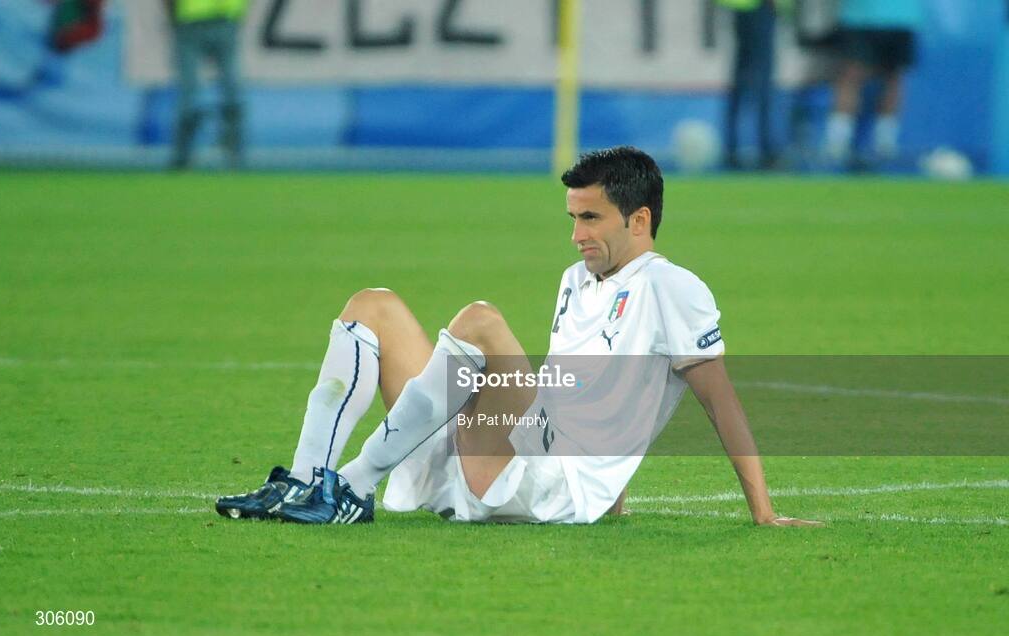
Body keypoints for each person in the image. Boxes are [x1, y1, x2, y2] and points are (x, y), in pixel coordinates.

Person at [216, 146, 821, 528]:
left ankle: (350, 487)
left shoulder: (673, 287)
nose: (576, 234)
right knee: (373, 306)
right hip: (506, 452)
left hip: (545, 478)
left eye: (591, 218)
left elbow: (720, 402)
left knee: (481, 321)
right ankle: (304, 482)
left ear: (639, 220)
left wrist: (762, 511)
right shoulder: (575, 281)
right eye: (573, 218)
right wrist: (615, 494)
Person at [824, 0, 923, 165]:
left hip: (901, 18)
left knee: (893, 80)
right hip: (859, 18)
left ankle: (885, 147)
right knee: (850, 78)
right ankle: (836, 146)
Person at [163, 0, 247, 170]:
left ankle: (182, 157)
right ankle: (234, 155)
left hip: (193, 20)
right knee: (229, 88)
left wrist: (173, 19)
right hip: (220, 19)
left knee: (191, 91)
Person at [718, 0, 790, 170]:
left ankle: (732, 149)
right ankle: (767, 150)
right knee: (762, 79)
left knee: (742, 77)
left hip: (743, 6)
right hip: (760, 6)